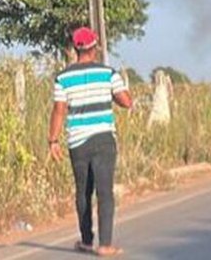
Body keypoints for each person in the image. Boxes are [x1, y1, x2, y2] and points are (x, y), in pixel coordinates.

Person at [48, 27, 132, 257]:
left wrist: (53, 141)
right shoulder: (109, 73)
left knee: (83, 192)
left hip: (77, 142)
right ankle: (105, 244)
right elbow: (126, 101)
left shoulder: (63, 78)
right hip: (104, 138)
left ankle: (86, 240)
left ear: (76, 49)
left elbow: (59, 111)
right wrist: (117, 92)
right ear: (95, 47)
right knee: (105, 191)